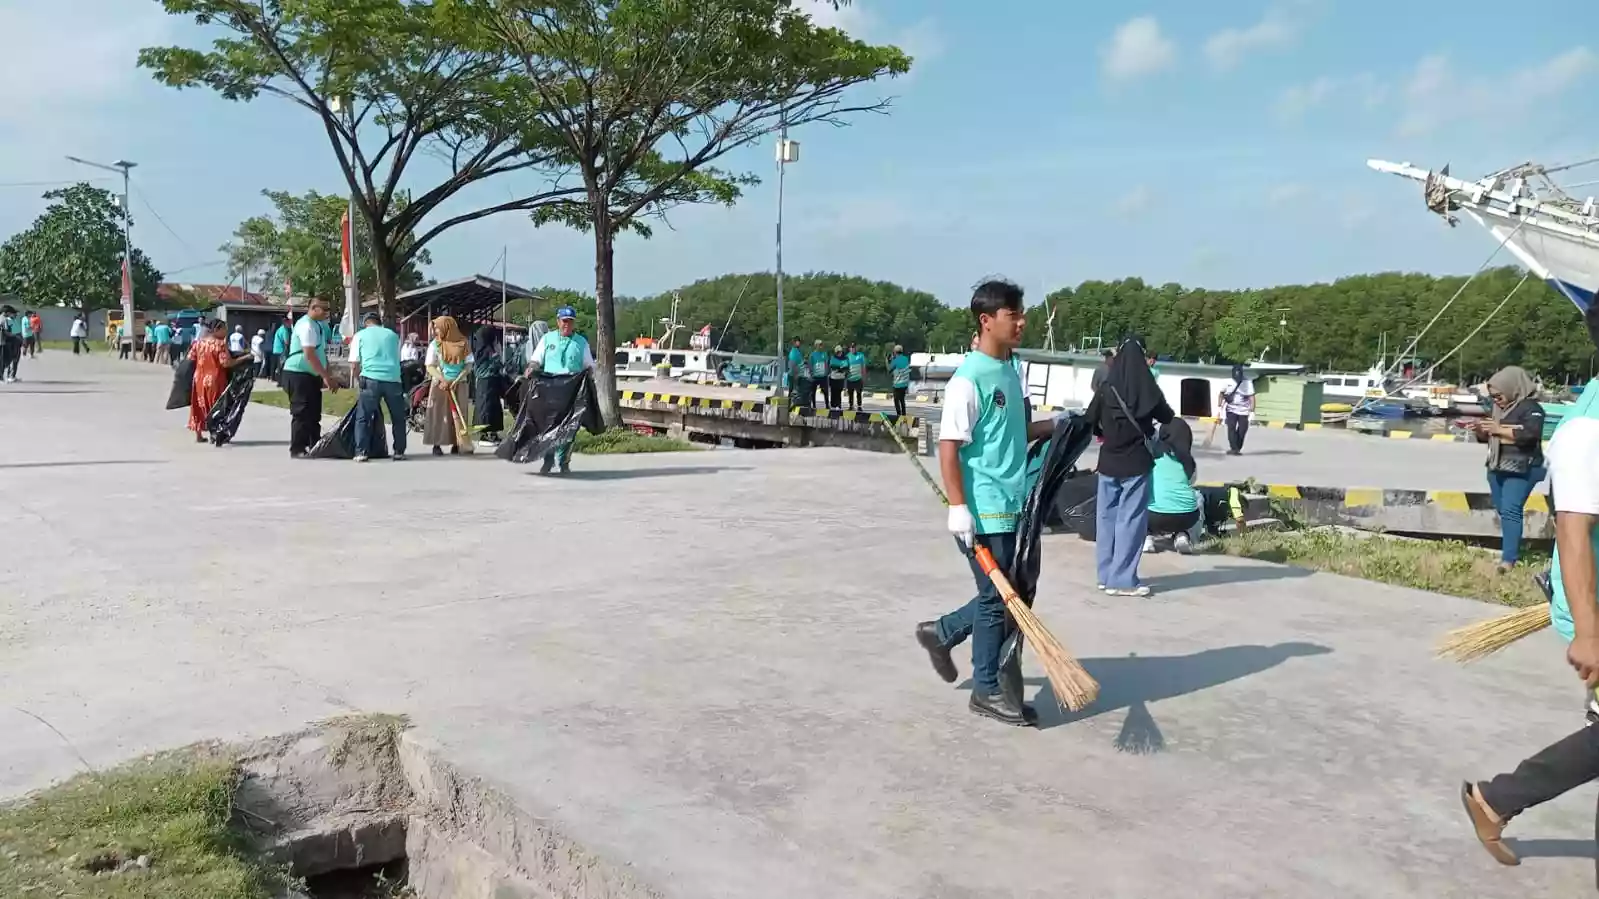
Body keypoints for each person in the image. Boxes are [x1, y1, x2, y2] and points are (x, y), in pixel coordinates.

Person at [1458, 377, 1599, 872]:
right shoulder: (1588, 426)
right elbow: (1574, 526)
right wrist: (1588, 631)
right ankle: (1497, 796)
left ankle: (1496, 798)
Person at [914, 279, 1057, 727]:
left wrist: (1064, 426)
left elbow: (1015, 434)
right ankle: (987, 689)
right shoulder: (968, 380)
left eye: (1020, 313)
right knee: (998, 600)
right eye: (1013, 314)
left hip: (1014, 503)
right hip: (982, 507)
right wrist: (958, 507)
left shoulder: (1010, 372)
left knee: (1005, 593)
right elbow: (949, 447)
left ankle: (942, 633)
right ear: (986, 320)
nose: (1022, 322)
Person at [1086, 335, 1174, 597]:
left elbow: (1090, 421)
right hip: (1136, 463)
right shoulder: (1148, 389)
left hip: (1108, 462)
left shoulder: (1106, 388)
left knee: (1106, 519)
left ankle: (1105, 575)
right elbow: (1168, 417)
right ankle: (1122, 579)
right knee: (1131, 520)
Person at [1474, 366, 1547, 570]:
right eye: (1492, 396)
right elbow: (1488, 438)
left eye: (1498, 395)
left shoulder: (1531, 408)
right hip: (1497, 466)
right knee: (1503, 509)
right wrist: (1481, 430)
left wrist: (1498, 429)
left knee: (1511, 510)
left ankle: (1509, 560)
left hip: (1522, 467)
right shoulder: (1497, 410)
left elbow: (1530, 435)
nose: (1496, 399)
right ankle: (1512, 548)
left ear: (1512, 388)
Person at [525, 305, 595, 473]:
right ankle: (547, 460)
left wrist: (590, 380)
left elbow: (589, 366)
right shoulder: (547, 339)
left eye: (570, 322)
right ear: (558, 321)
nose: (567, 325)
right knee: (548, 426)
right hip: (550, 390)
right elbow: (536, 360)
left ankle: (564, 461)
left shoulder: (581, 342)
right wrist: (531, 368)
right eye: (564, 321)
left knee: (569, 428)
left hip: (571, 392)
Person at [281, 299, 338, 457]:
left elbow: (321, 354)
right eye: (324, 309)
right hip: (298, 372)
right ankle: (297, 447)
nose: (327, 313)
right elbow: (309, 355)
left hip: (311, 374)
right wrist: (325, 377)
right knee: (302, 411)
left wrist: (328, 372)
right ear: (313, 308)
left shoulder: (318, 326)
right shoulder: (306, 325)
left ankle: (315, 445)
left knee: (314, 412)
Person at [350, 311, 407, 462]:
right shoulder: (393, 335)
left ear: (365, 323)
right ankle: (399, 451)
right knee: (398, 417)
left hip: (370, 378)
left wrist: (359, 379)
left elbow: (354, 363)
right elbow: (398, 357)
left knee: (364, 418)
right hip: (393, 380)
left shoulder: (360, 335)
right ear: (379, 322)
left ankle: (361, 451)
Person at [186, 320, 255, 443]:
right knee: (216, 406)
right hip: (215, 378)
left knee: (198, 404)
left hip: (199, 378)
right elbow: (226, 363)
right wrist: (244, 357)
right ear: (217, 330)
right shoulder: (219, 344)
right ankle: (214, 434)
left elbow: (190, 358)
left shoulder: (198, 343)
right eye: (224, 329)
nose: (226, 332)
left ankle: (198, 434)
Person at [1145, 418, 1202, 554]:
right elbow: (1190, 482)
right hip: (1188, 516)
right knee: (1197, 496)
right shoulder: (1189, 462)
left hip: (1153, 516)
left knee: (1144, 496)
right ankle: (1183, 535)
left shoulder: (1152, 456)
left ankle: (1146, 538)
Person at [424, 315, 474, 456]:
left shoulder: (463, 343)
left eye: (438, 329)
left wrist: (458, 379)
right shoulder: (435, 345)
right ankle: (436, 444)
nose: (435, 332)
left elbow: (469, 364)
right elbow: (430, 365)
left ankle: (458, 443)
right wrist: (442, 379)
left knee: (459, 414)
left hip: (460, 384)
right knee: (439, 414)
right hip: (441, 385)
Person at [471, 326, 506, 445]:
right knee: (487, 409)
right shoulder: (487, 351)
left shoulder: (481, 349)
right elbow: (496, 365)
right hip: (487, 381)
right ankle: (486, 436)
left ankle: (492, 433)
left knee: (491, 408)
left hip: (487, 382)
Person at [1217, 364, 1256, 455]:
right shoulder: (1227, 382)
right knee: (1231, 428)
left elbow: (1251, 397)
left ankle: (1237, 447)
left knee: (1242, 430)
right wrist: (1219, 407)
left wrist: (1252, 411)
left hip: (1244, 411)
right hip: (1231, 409)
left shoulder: (1247, 383)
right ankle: (1234, 448)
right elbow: (1221, 394)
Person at [889, 344, 912, 417]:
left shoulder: (895, 360)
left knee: (896, 400)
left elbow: (889, 370)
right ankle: (904, 414)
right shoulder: (906, 359)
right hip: (905, 384)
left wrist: (890, 360)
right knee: (902, 400)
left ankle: (899, 414)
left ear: (895, 352)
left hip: (897, 384)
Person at [0, 306, 20, 382]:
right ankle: (6, 376)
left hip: (4, 342)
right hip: (5, 342)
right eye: (13, 313)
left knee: (5, 360)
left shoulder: (6, 319)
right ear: (8, 313)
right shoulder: (5, 319)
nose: (15, 314)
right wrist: (15, 336)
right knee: (5, 360)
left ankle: (6, 376)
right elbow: (6, 331)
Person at [845, 342, 867, 411]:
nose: (853, 349)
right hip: (850, 378)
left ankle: (859, 406)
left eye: (854, 347)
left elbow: (863, 367)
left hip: (858, 378)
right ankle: (851, 406)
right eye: (851, 347)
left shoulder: (861, 355)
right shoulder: (847, 356)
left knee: (859, 393)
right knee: (850, 393)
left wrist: (864, 377)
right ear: (849, 349)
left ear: (856, 348)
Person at [808, 339, 828, 409]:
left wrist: (826, 373)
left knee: (825, 391)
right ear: (816, 346)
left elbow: (826, 364)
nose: (821, 346)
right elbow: (810, 365)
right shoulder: (812, 355)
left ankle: (827, 406)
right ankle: (814, 405)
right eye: (819, 345)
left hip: (823, 376)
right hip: (815, 376)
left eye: (821, 345)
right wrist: (811, 374)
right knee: (813, 392)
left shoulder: (824, 354)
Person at [827, 344, 848, 411]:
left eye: (840, 352)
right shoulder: (833, 357)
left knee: (839, 392)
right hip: (833, 378)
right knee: (833, 392)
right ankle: (833, 405)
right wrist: (839, 368)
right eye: (838, 352)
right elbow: (832, 366)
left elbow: (846, 367)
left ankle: (838, 406)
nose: (839, 353)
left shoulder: (845, 358)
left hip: (841, 378)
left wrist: (840, 368)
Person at [787, 338, 805, 405]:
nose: (799, 343)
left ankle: (794, 403)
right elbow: (793, 365)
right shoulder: (794, 352)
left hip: (798, 374)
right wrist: (795, 375)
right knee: (792, 390)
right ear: (794, 343)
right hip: (794, 374)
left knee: (796, 390)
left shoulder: (797, 351)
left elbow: (799, 362)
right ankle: (789, 404)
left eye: (799, 342)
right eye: (797, 342)